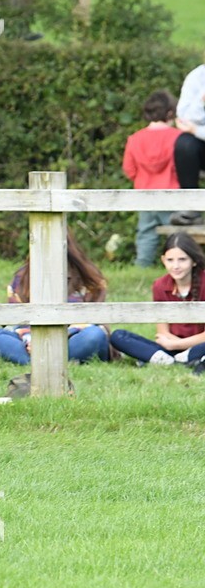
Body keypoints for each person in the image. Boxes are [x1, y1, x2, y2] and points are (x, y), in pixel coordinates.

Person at [0, 233, 111, 365]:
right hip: (30, 339)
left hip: (73, 339)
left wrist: (58, 339)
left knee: (94, 335)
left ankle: (40, 361)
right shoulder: (22, 276)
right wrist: (31, 341)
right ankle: (48, 360)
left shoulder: (88, 276)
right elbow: (15, 319)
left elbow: (94, 320)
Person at [109, 232, 205, 365]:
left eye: (182, 259)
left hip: (198, 345)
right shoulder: (160, 285)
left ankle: (165, 359)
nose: (175, 266)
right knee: (118, 336)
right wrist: (172, 345)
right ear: (163, 260)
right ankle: (179, 361)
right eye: (170, 260)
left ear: (194, 261)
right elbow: (162, 332)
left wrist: (177, 345)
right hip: (170, 346)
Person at [124, 89, 180, 264]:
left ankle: (142, 266)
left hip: (144, 194)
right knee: (177, 235)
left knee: (145, 234)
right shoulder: (178, 137)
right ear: (170, 112)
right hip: (172, 193)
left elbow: (129, 169)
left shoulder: (135, 139)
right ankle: (179, 266)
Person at [170, 52, 205, 225]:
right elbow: (184, 119)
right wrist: (202, 100)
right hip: (201, 147)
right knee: (184, 143)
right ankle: (191, 206)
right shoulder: (197, 78)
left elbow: (191, 126)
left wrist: (196, 130)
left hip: (200, 134)